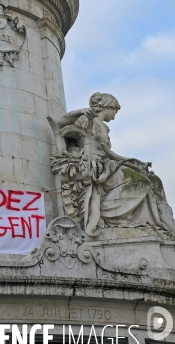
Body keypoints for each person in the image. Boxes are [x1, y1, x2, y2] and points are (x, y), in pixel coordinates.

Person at [59, 92, 175, 237]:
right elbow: (61, 123)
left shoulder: (103, 127)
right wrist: (81, 111)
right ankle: (113, 215)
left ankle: (162, 223)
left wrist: (135, 163)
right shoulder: (86, 119)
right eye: (115, 111)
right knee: (142, 182)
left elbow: (108, 152)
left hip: (107, 164)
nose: (114, 116)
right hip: (98, 167)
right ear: (107, 106)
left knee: (154, 180)